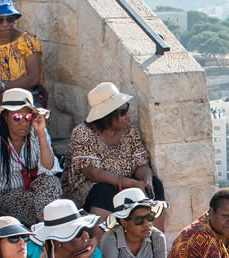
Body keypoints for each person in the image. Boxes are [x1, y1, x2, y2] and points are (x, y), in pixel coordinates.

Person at [65, 81, 161, 215]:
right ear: (107, 117)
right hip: (90, 188)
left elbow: (141, 164)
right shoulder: (82, 133)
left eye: (126, 109)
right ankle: (99, 236)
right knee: (104, 191)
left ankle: (154, 235)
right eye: (122, 113)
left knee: (156, 185)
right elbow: (94, 173)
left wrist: (147, 182)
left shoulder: (130, 130)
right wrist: (132, 184)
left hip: (127, 183)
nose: (128, 116)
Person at [0, 88, 61, 226]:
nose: (24, 123)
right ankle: (49, 226)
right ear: (5, 117)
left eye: (28, 118)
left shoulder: (36, 133)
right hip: (5, 193)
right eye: (17, 118)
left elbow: (49, 167)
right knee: (34, 203)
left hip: (35, 190)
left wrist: (41, 133)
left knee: (52, 183)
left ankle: (48, 224)